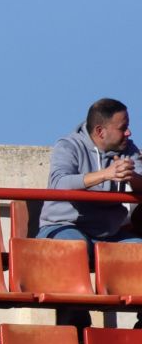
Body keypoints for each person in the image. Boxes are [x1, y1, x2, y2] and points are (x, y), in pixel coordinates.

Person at [38, 98, 142, 242]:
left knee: (138, 250)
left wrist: (131, 176)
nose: (128, 133)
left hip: (110, 234)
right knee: (76, 246)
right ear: (100, 131)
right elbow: (58, 183)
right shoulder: (68, 146)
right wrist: (105, 174)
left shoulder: (129, 149)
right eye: (122, 128)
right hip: (65, 227)